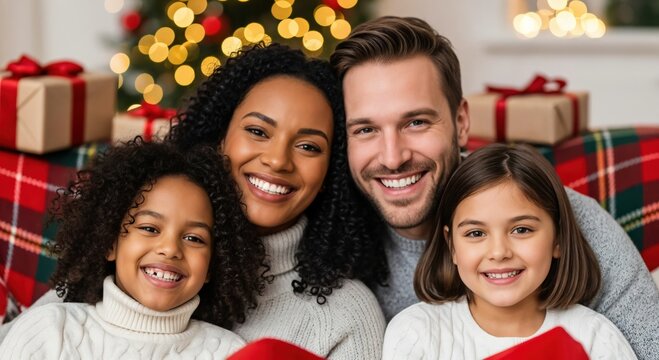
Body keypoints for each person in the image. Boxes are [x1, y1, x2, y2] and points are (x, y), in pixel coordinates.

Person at [330, 15, 659, 358]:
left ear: (461, 122)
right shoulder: (330, 238)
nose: (393, 157)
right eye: (366, 130)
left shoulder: (570, 220)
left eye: (416, 122)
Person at [166, 43, 386, 359]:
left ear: (330, 174)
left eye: (309, 147)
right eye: (258, 131)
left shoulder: (346, 314)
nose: (278, 160)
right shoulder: (146, 257)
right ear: (219, 138)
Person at [0, 139, 255, 358]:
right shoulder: (47, 331)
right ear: (111, 242)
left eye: (194, 238)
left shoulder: (228, 352)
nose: (170, 249)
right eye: (150, 228)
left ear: (212, 264)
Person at [382, 144, 637, 359]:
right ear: (452, 246)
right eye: (476, 233)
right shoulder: (417, 334)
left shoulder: (596, 339)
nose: (499, 252)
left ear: (557, 239)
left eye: (522, 230)